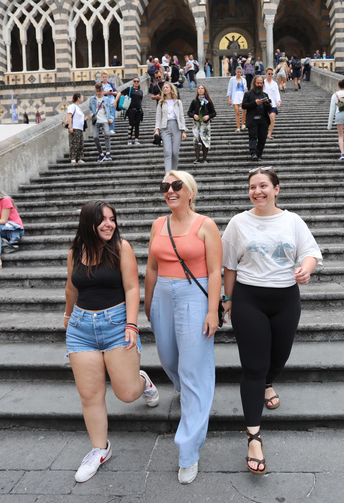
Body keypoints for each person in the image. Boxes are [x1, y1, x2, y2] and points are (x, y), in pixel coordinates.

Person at [221, 167, 322, 476]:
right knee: (253, 366)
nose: (257, 191)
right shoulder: (238, 223)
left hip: (285, 298)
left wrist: (306, 268)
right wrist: (227, 300)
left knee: (278, 357)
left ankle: (268, 382)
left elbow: (310, 253)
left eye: (263, 185)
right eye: (253, 187)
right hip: (248, 298)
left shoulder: (292, 221)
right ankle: (253, 436)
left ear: (277, 189)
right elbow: (228, 266)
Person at [64, 200, 160, 483]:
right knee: (90, 396)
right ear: (88, 223)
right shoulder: (75, 252)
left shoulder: (121, 248)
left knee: (127, 394)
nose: (109, 224)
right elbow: (71, 286)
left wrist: (132, 323)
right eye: (102, 220)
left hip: (117, 324)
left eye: (112, 219)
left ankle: (142, 381)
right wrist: (68, 315)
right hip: (81, 328)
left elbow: (132, 287)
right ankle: (99, 449)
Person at [144, 171, 222, 484]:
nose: (170, 191)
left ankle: (188, 450)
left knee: (194, 370)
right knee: (167, 359)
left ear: (190, 191)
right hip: (162, 294)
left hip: (195, 294)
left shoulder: (206, 225)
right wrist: (148, 305)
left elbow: (215, 271)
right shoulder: (157, 225)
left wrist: (213, 310)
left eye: (177, 186)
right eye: (165, 186)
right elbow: (151, 267)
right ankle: (185, 389)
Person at [154, 82, 187, 173]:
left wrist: (183, 130)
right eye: (164, 88)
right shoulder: (161, 103)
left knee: (175, 152)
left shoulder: (178, 102)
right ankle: (168, 174)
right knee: (168, 152)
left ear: (171, 89)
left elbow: (181, 116)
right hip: (165, 127)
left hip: (176, 127)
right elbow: (158, 118)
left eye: (167, 87)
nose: (165, 89)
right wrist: (157, 130)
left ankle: (174, 172)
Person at [242, 75, 272, 162]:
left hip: (263, 119)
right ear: (254, 83)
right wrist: (255, 103)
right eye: (258, 83)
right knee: (253, 137)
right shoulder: (248, 94)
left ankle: (259, 154)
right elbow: (244, 105)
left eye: (261, 83)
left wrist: (267, 103)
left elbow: (269, 109)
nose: (259, 85)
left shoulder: (265, 94)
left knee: (262, 138)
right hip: (252, 119)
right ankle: (253, 153)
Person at [187, 84, 216, 164]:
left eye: (202, 88)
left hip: (205, 124)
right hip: (197, 123)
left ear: (204, 90)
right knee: (196, 139)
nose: (200, 90)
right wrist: (194, 115)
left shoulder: (208, 102)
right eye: (199, 88)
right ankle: (197, 158)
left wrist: (208, 116)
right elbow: (189, 112)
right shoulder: (194, 101)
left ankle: (204, 159)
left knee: (205, 140)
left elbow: (214, 113)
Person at [115, 78, 144, 146]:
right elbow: (120, 93)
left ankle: (136, 139)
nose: (136, 82)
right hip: (131, 110)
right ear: (133, 82)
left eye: (137, 81)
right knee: (131, 124)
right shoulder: (129, 89)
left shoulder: (140, 91)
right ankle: (129, 139)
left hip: (138, 110)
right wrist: (115, 102)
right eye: (135, 81)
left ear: (139, 82)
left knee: (137, 125)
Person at [89, 83, 114, 162]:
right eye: (97, 91)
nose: (98, 93)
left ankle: (108, 153)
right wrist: (91, 114)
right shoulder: (92, 99)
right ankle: (101, 154)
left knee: (107, 134)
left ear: (102, 90)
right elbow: (90, 108)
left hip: (104, 120)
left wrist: (111, 118)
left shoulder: (106, 99)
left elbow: (110, 110)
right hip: (96, 121)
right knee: (95, 137)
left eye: (99, 91)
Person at [66, 92, 86, 164]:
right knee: (74, 143)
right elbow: (69, 116)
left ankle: (80, 158)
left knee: (80, 143)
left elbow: (77, 118)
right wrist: (70, 127)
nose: (82, 99)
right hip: (74, 128)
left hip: (80, 128)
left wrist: (84, 119)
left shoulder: (78, 108)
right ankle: (73, 158)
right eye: (82, 98)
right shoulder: (72, 106)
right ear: (78, 98)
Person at [227, 66, 248, 132]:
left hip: (242, 95)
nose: (239, 73)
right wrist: (229, 98)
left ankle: (243, 124)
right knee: (237, 112)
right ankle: (238, 127)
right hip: (235, 95)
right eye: (238, 72)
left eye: (240, 72)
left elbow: (245, 89)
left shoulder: (244, 79)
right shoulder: (232, 79)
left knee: (244, 110)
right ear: (236, 72)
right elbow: (229, 89)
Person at [263, 67, 281, 140]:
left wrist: (278, 101)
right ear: (266, 74)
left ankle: (269, 134)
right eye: (269, 73)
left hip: (273, 104)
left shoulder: (275, 83)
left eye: (271, 74)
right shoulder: (263, 83)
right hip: (264, 103)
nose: (270, 75)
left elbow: (277, 93)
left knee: (272, 118)